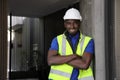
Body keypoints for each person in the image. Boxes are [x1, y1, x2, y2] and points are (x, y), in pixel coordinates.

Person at [47, 8, 94, 80]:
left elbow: (84, 65)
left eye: (75, 23)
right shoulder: (57, 40)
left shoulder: (88, 41)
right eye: (69, 23)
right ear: (65, 24)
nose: (72, 26)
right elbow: (50, 60)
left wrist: (60, 58)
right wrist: (74, 56)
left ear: (79, 23)